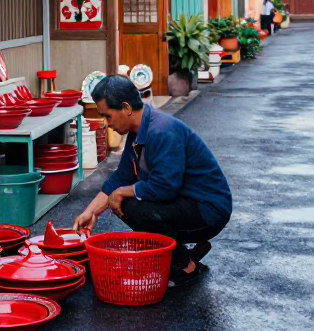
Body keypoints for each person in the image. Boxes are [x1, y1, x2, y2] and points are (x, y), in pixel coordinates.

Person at [73, 75, 232, 288]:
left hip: (209, 211)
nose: (107, 124)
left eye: (107, 116)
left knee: (133, 207)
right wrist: (90, 213)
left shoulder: (162, 131)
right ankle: (186, 254)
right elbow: (122, 177)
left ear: (126, 108)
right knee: (127, 199)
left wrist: (121, 193)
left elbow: (165, 188)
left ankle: (186, 266)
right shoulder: (139, 130)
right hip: (189, 203)